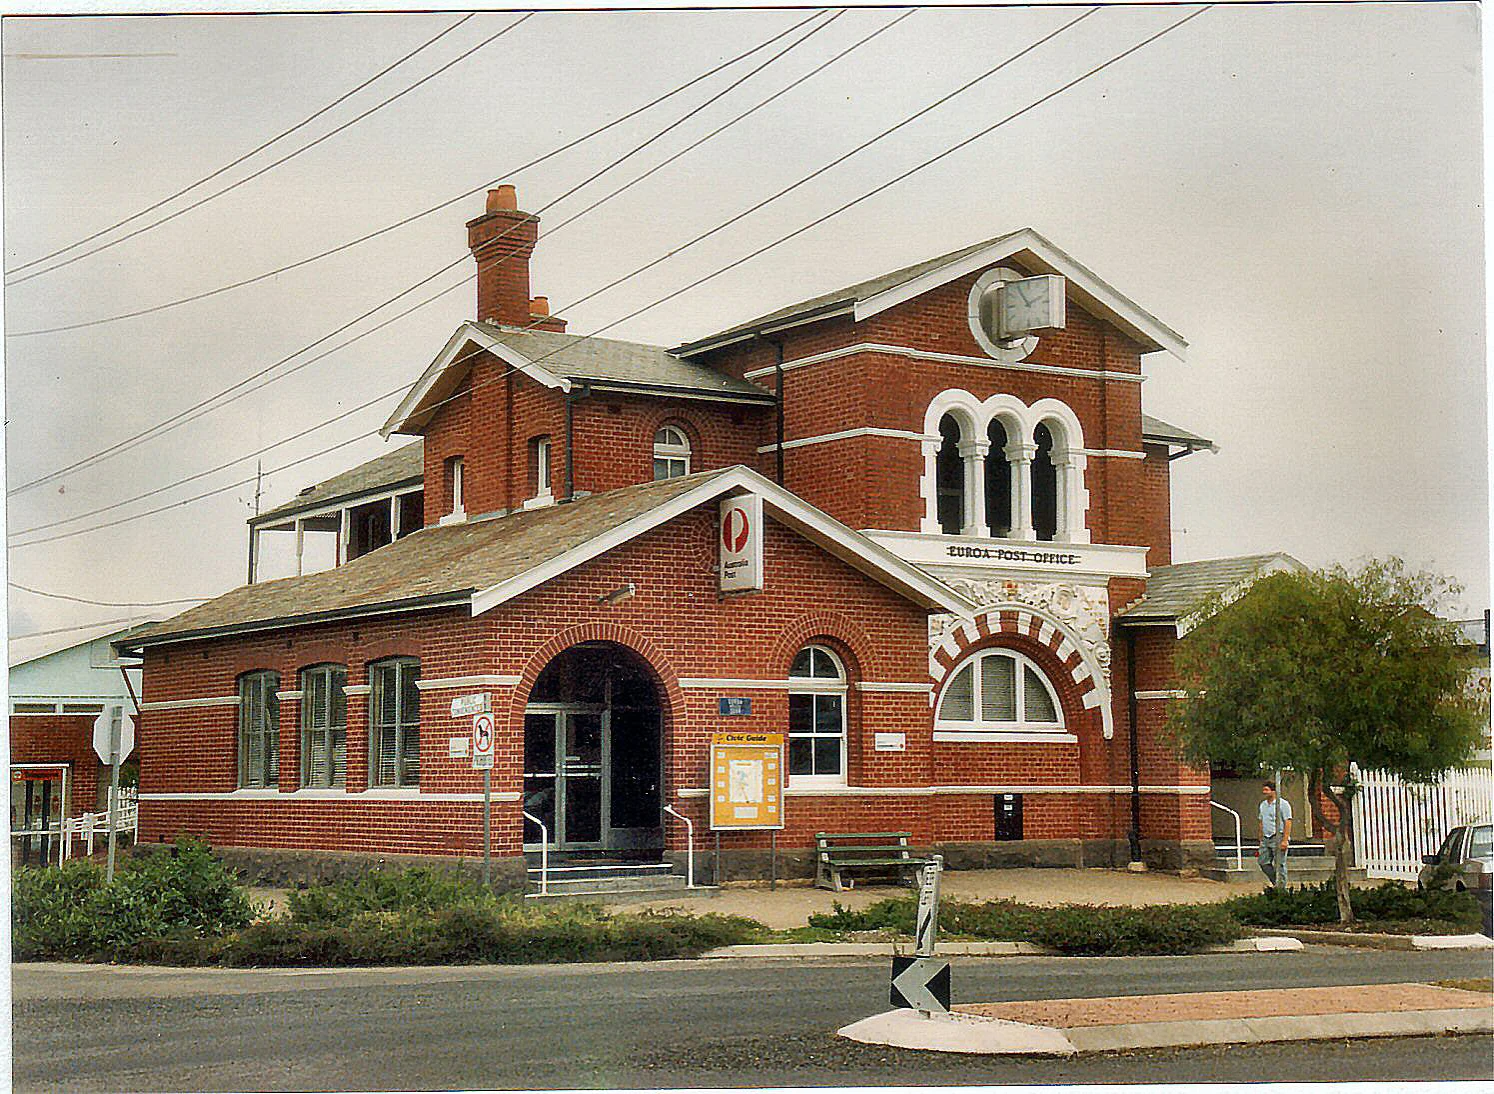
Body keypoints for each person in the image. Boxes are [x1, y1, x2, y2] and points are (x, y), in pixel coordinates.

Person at [1258, 780, 1293, 887]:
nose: (1264, 792)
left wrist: (1285, 840)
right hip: (1266, 838)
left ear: (1273, 791)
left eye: (1267, 790)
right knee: (1263, 862)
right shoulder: (1263, 805)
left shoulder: (1283, 804)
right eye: (1263, 790)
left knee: (1280, 864)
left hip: (1278, 836)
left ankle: (1282, 888)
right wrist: (1260, 836)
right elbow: (1261, 820)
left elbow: (1288, 821)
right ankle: (1276, 882)